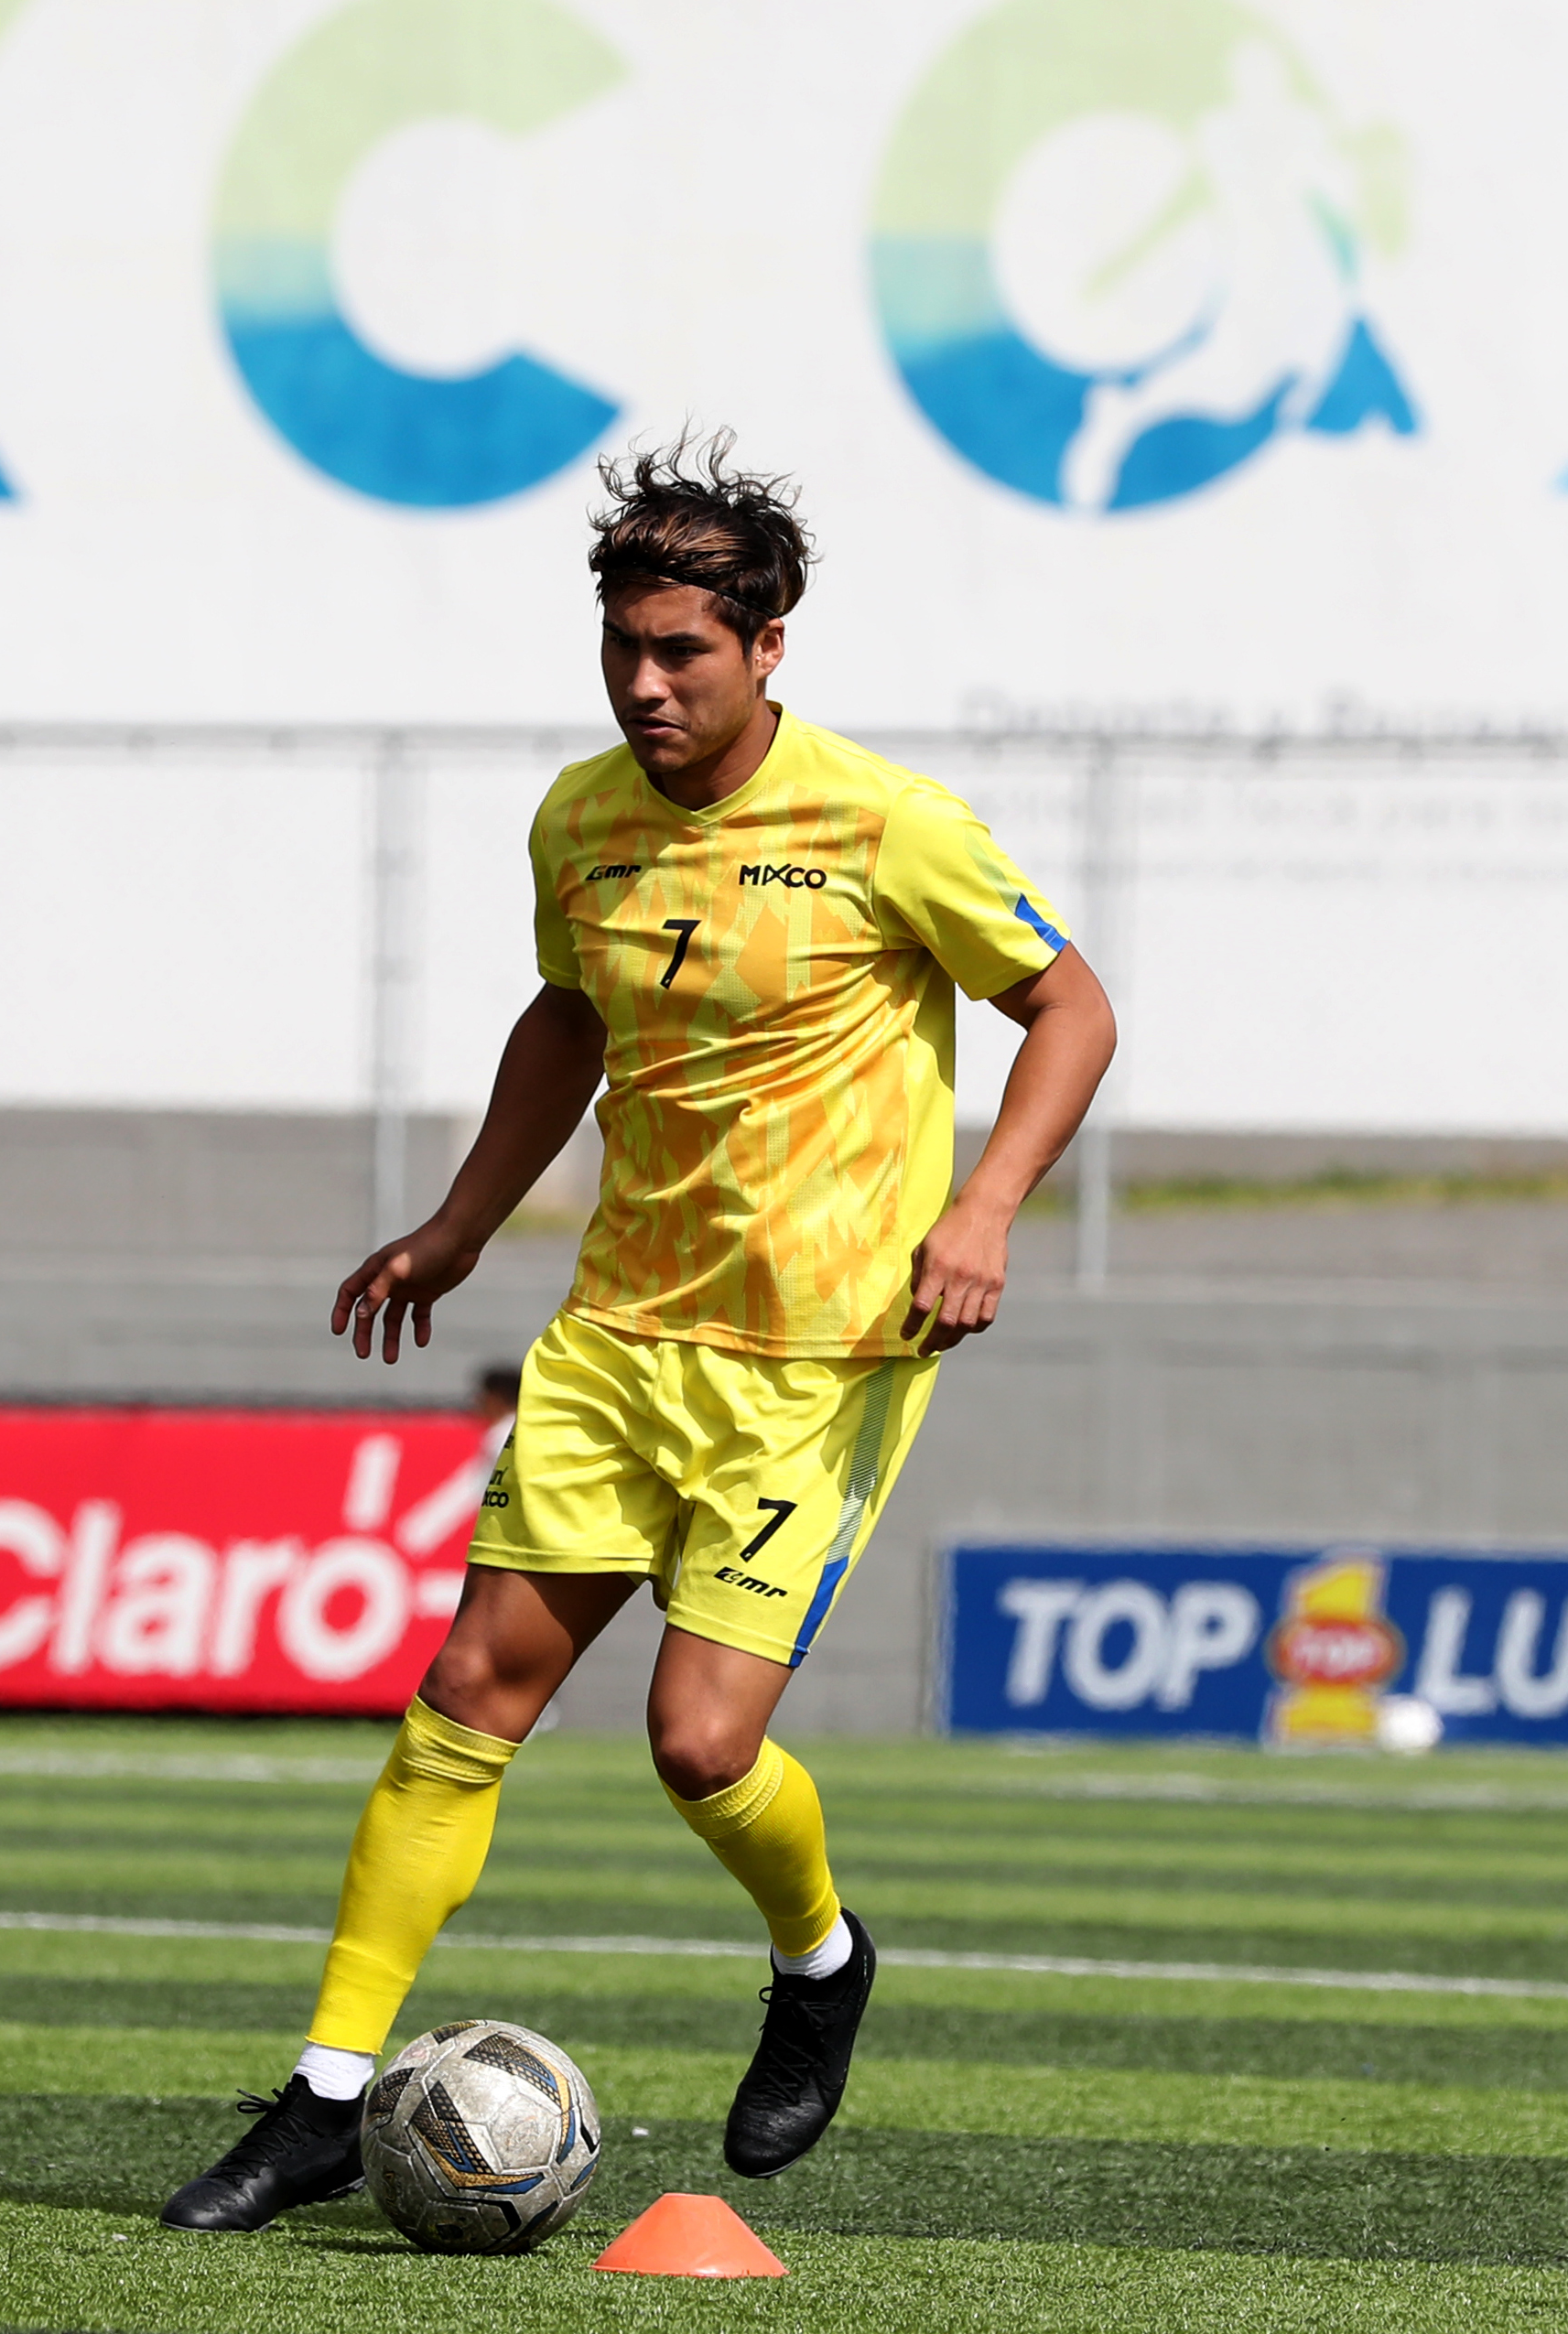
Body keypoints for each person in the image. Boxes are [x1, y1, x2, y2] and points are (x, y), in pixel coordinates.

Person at [160, 439, 1117, 2230]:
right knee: (465, 1701)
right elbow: (567, 1019)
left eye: (683, 650)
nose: (647, 683)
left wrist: (983, 1210)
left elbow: (1069, 1004)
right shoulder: (582, 820)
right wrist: (459, 1223)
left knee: (697, 1743)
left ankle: (819, 1962)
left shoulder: (883, 826)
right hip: (618, 1334)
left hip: (818, 1357)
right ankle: (323, 2097)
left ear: (769, 646)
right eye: (625, 648)